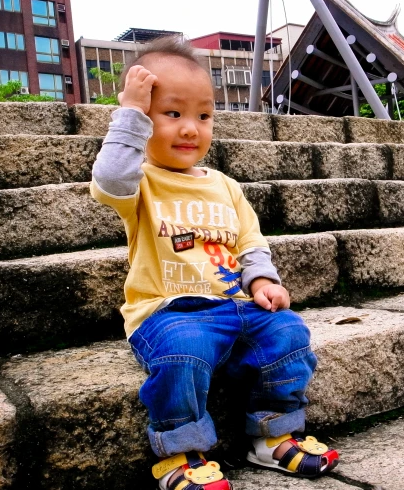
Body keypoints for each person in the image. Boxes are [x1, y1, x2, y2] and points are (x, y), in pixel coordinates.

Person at [90, 36, 339, 490]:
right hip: (169, 310)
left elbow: (249, 240)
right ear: (143, 120)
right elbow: (108, 178)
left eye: (203, 116)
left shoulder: (225, 185)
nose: (190, 129)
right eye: (172, 113)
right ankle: (180, 451)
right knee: (184, 354)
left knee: (288, 334)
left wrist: (263, 279)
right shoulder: (142, 182)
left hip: (236, 305)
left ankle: (271, 435)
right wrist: (127, 112)